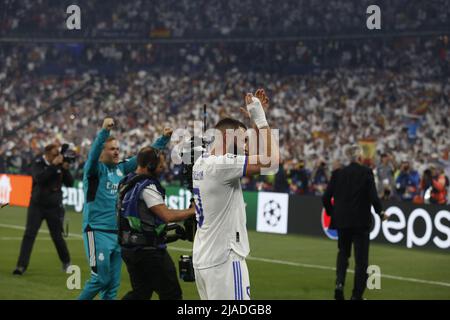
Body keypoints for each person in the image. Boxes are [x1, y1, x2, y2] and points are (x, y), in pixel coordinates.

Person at [192, 89, 279, 300]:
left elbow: (256, 156)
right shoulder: (222, 165)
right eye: (242, 140)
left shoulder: (201, 163)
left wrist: (253, 124)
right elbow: (272, 162)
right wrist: (261, 119)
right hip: (225, 261)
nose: (246, 146)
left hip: (205, 259)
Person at [78, 118, 171, 300]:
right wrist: (104, 131)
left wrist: (163, 139)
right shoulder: (94, 171)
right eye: (112, 149)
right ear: (102, 152)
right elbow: (92, 155)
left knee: (112, 286)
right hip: (96, 231)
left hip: (118, 234)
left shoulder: (121, 169)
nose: (116, 152)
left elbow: (143, 158)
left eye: (118, 149)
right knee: (100, 280)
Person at [117, 147, 196, 300]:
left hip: (130, 248)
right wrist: (193, 211)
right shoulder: (147, 186)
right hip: (148, 252)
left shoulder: (127, 181)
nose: (163, 167)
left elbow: (144, 219)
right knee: (171, 294)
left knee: (141, 294)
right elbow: (166, 215)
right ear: (150, 166)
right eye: (161, 165)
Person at [322, 144, 388, 300]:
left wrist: (333, 213)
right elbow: (373, 197)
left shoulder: (338, 174)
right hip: (360, 223)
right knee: (361, 261)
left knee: (343, 255)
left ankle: (339, 286)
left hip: (342, 222)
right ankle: (356, 296)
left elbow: (325, 198)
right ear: (360, 157)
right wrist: (381, 213)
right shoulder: (366, 173)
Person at [13, 144, 73, 275]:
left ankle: (66, 262)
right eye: (53, 154)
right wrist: (53, 166)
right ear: (46, 153)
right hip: (37, 206)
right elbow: (40, 178)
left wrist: (65, 169)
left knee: (57, 236)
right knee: (29, 234)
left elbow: (70, 183)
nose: (56, 157)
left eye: (57, 154)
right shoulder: (38, 162)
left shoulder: (59, 164)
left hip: (54, 207)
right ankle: (21, 266)